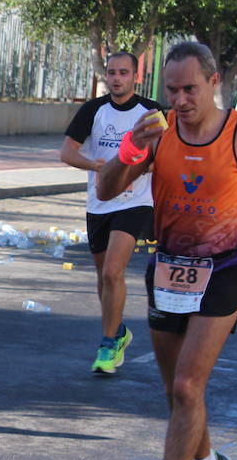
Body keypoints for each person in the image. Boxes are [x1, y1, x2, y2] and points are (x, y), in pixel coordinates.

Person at [97, 41, 237, 460]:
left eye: (189, 89)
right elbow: (108, 190)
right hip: (168, 267)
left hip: (224, 268)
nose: (179, 100)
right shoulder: (158, 134)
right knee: (178, 391)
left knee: (186, 388)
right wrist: (132, 147)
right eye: (172, 90)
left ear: (214, 82)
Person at [60, 51, 165, 375]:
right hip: (99, 202)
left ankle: (107, 346)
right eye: (111, 72)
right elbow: (66, 152)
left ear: (136, 76)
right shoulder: (93, 110)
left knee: (112, 273)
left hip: (135, 202)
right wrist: (94, 165)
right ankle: (118, 332)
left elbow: (167, 153)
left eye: (123, 72)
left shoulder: (152, 112)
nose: (116, 78)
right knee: (103, 277)